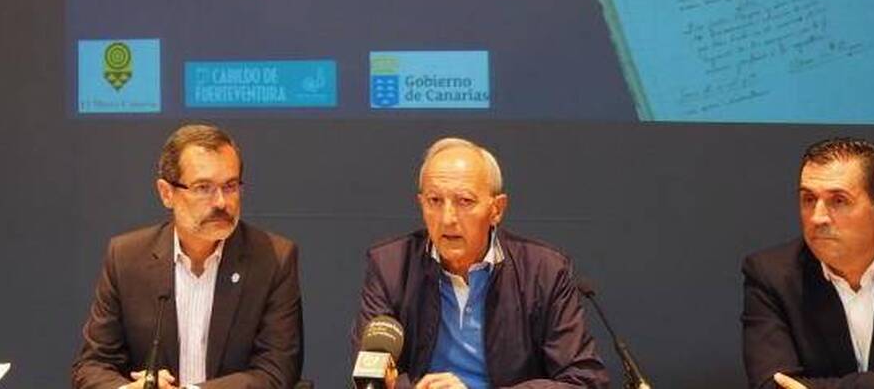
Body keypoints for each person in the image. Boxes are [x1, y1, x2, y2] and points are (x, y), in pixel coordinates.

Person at [352, 137, 609, 389]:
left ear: (497, 209)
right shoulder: (391, 266)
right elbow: (371, 374)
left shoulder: (544, 271)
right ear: (421, 204)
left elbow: (583, 380)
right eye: (434, 201)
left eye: (464, 201)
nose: (447, 218)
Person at [72, 124, 303, 389]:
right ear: (166, 193)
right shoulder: (126, 258)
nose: (221, 202)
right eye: (203, 187)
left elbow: (277, 371)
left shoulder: (273, 259)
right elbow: (92, 365)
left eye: (230, 186)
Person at [742, 137, 874, 389]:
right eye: (808, 199)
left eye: (838, 201)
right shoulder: (772, 276)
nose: (817, 218)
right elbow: (773, 386)